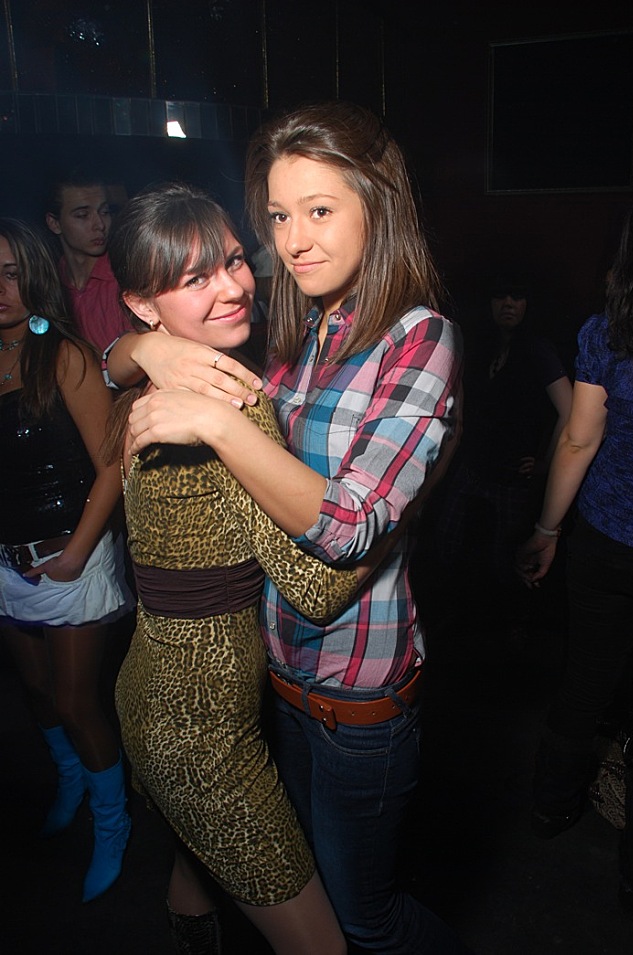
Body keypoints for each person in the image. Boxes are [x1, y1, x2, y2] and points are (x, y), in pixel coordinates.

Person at [107, 102, 471, 954]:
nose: (292, 242)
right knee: (307, 902)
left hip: (345, 699)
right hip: (249, 695)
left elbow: (345, 533)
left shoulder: (411, 338)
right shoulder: (294, 334)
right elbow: (321, 555)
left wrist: (174, 374)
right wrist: (141, 350)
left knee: (358, 918)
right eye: (277, 216)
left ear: (377, 205)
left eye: (318, 210)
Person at [0, 217, 134, 903]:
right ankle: (70, 780)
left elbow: (113, 461)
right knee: (36, 692)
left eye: (10, 273)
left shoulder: (67, 355)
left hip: (70, 556)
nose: (0, 288)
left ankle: (113, 825)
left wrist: (77, 555)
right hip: (7, 560)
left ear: (34, 274)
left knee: (78, 703)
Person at [516, 204, 633, 915]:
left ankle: (550, 806)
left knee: (585, 677)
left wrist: (547, 528)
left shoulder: (609, 332)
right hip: (607, 540)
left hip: (605, 540)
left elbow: (578, 439)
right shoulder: (603, 332)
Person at [431, 274, 572, 641]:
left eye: (517, 296)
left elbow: (570, 411)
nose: (508, 303)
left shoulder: (537, 351)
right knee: (448, 542)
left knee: (506, 559)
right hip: (473, 464)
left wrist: (545, 463)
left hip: (512, 475)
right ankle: (456, 620)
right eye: (500, 295)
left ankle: (509, 630)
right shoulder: (479, 345)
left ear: (529, 304)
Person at [45, 167, 130, 353]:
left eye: (104, 212)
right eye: (83, 215)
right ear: (54, 223)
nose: (100, 225)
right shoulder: (46, 285)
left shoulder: (127, 276)